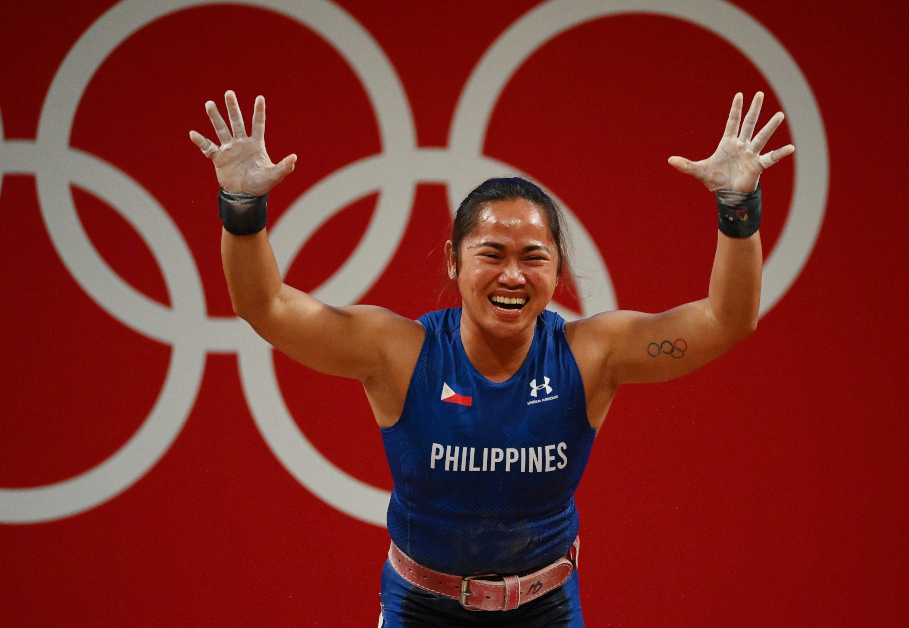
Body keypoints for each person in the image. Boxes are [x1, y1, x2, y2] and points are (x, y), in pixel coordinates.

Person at [190, 90, 794, 627]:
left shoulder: (593, 356)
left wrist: (737, 208)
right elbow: (264, 305)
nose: (512, 275)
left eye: (533, 257)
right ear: (454, 262)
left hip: (547, 610)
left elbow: (727, 320)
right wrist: (242, 206)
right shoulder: (398, 354)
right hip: (419, 610)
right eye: (492, 254)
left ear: (557, 273)